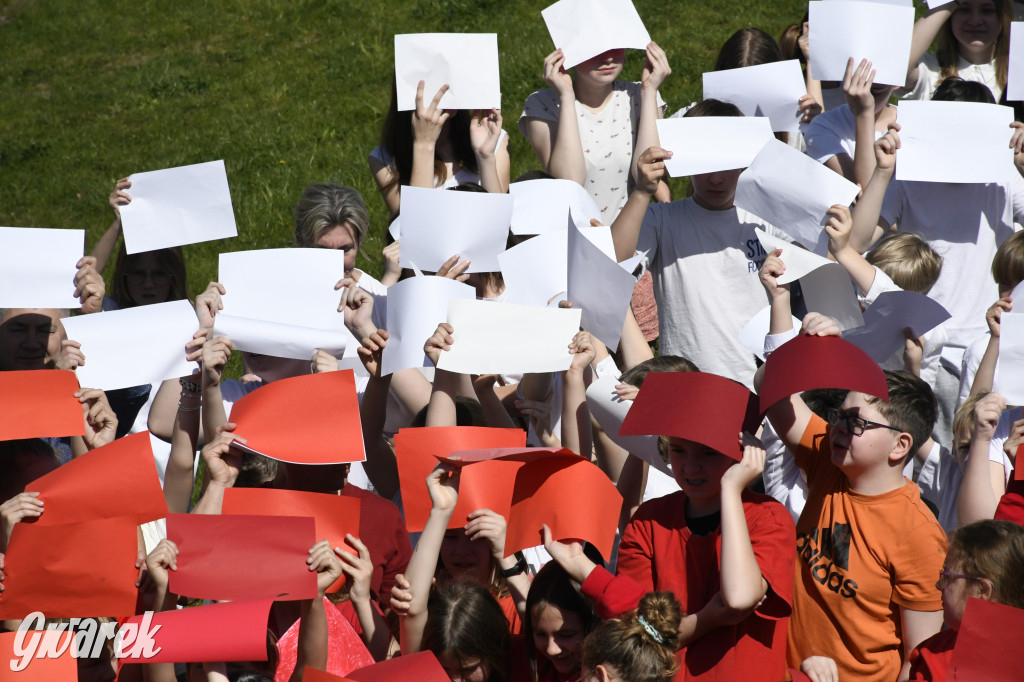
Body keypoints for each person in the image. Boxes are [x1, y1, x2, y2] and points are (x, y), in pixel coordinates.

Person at [759, 314, 947, 681]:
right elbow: (771, 391)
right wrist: (804, 349)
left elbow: (920, 659)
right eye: (838, 416)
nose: (838, 428)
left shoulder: (920, 535)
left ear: (900, 445)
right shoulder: (828, 458)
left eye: (856, 422)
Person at [849, 81, 1024, 446]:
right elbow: (859, 240)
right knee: (919, 453)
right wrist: (883, 171)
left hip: (987, 344)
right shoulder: (909, 176)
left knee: (971, 451)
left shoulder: (1005, 179)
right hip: (923, 344)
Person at [615, 372, 796, 680]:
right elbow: (638, 637)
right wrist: (711, 616)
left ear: (742, 453)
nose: (690, 467)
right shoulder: (648, 520)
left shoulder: (768, 517)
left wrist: (731, 489)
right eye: (678, 450)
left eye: (708, 453)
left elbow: (738, 598)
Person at [609, 100, 793, 388]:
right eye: (705, 165)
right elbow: (614, 264)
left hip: (757, 383)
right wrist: (643, 192)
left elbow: (825, 259)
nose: (716, 178)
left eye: (726, 164)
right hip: (685, 383)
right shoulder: (663, 219)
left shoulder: (766, 219)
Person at [519, 42, 670, 223]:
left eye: (615, 46)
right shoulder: (542, 104)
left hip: (636, 236)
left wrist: (649, 91)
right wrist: (566, 97)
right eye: (594, 49)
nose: (608, 58)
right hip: (578, 238)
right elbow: (569, 183)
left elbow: (648, 175)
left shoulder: (642, 94)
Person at [369, 81, 509, 218]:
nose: (446, 85)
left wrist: (485, 157)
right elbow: (414, 231)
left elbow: (500, 227)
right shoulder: (384, 159)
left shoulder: (492, 139)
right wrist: (424, 145)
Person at [907, 520, 1024, 681]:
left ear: (982, 590)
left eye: (948, 576)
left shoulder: (935, 661)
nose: (939, 585)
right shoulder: (931, 652)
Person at [804, 57, 897, 190]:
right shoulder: (824, 126)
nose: (863, 96)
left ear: (896, 83)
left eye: (875, 92)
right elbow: (865, 192)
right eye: (853, 86)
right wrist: (864, 113)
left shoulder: (910, 124)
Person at [902, 0, 1012, 102]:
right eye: (964, 9)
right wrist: (950, 2)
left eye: (987, 10)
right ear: (950, 16)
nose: (975, 21)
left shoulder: (1017, 74)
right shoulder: (929, 70)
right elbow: (897, 65)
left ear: (1002, 17)